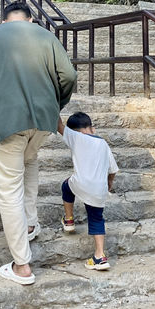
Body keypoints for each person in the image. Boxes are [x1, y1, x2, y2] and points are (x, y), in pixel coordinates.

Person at [0, 1, 77, 285]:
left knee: (8, 191)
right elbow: (69, 75)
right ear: (31, 20)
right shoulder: (46, 36)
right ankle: (30, 223)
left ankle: (22, 265)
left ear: (5, 22)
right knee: (29, 160)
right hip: (43, 123)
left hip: (9, 124)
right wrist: (57, 105)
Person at [57, 111, 118, 271]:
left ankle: (69, 220)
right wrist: (109, 183)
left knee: (66, 186)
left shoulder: (76, 137)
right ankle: (100, 256)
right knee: (96, 218)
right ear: (93, 128)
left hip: (80, 183)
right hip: (99, 188)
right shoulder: (103, 144)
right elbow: (112, 170)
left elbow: (58, 125)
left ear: (73, 131)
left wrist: (54, 103)